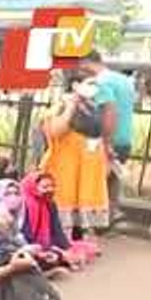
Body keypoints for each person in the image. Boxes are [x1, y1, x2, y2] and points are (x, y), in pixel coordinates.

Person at [39, 74, 110, 239]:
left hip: (88, 171)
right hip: (65, 169)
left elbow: (99, 136)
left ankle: (82, 240)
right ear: (75, 85)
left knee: (84, 218)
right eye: (89, 83)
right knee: (63, 215)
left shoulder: (94, 108)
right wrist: (71, 106)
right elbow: (55, 131)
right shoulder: (61, 106)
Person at [79, 50, 136, 225]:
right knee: (112, 181)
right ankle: (107, 220)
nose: (79, 69)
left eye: (80, 64)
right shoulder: (123, 80)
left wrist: (106, 143)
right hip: (124, 138)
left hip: (106, 140)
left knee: (97, 182)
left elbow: (109, 113)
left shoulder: (101, 82)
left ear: (87, 61)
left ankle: (92, 225)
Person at [20, 172, 80, 273]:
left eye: (52, 186)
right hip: (27, 245)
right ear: (33, 187)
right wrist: (47, 250)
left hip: (46, 244)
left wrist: (66, 249)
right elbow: (25, 234)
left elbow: (57, 229)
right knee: (44, 258)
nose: (50, 189)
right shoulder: (23, 205)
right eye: (45, 187)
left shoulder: (50, 204)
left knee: (76, 254)